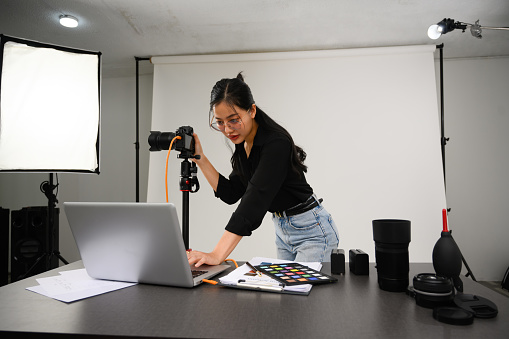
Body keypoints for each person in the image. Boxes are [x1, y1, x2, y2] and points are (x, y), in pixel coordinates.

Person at [187, 72, 339, 267]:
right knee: (288, 296)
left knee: (301, 294)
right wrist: (200, 158)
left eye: (233, 120)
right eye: (220, 122)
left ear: (251, 110)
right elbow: (231, 193)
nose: (227, 129)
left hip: (312, 232)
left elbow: (254, 200)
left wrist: (217, 254)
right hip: (283, 232)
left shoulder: (276, 143)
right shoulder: (244, 144)